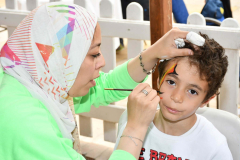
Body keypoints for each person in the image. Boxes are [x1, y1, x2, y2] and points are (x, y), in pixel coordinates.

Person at [0, 2, 193, 160]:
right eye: (94, 54)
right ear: (60, 59)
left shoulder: (40, 82)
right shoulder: (26, 124)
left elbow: (103, 86)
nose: (103, 61)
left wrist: (153, 52)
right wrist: (135, 128)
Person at [114, 33, 233, 160]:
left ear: (207, 99)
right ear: (159, 80)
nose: (176, 97)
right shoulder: (132, 123)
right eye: (171, 82)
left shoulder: (214, 147)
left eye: (192, 91)